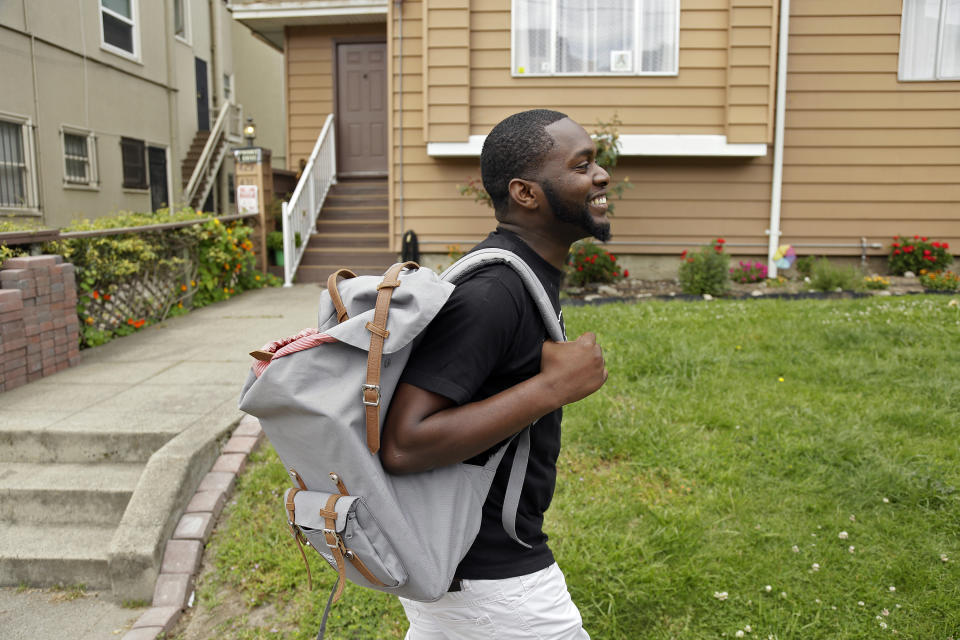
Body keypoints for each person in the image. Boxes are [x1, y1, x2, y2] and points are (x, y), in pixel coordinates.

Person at [380, 109, 611, 639]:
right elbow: (404, 443)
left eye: (595, 161)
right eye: (581, 166)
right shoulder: (493, 293)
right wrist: (553, 388)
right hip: (497, 583)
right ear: (526, 194)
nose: (600, 176)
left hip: (471, 575)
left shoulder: (524, 276)